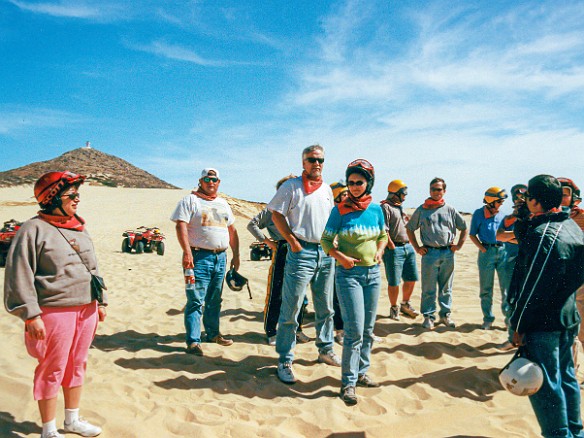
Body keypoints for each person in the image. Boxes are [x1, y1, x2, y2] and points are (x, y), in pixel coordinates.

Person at [4, 171, 107, 438]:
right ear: (52, 199)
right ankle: (48, 429)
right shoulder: (33, 229)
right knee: (53, 367)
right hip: (53, 311)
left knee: (77, 363)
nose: (77, 200)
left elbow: (93, 267)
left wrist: (101, 301)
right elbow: (19, 274)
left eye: (78, 194)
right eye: (71, 195)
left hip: (87, 308)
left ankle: (72, 420)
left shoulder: (79, 227)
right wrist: (31, 314)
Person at [508, 174, 584, 437]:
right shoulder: (570, 226)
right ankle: (575, 431)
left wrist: (517, 326)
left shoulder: (545, 234)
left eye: (529, 197)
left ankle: (558, 434)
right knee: (566, 377)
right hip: (567, 316)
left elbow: (532, 288)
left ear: (536, 201)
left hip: (543, 323)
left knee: (547, 385)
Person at [268, 144, 339, 384]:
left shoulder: (327, 189)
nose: (316, 164)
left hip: (325, 252)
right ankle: (285, 359)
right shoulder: (291, 187)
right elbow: (276, 213)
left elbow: (330, 218)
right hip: (301, 253)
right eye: (311, 159)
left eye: (320, 160)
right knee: (292, 308)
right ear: (303, 162)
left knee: (326, 306)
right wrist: (291, 240)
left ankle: (326, 349)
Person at [321, 159, 388, 406]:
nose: (355, 187)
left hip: (373, 275)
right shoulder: (339, 210)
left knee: (368, 330)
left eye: (359, 182)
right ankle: (348, 383)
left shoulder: (376, 210)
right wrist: (341, 257)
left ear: (368, 183)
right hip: (349, 276)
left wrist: (380, 251)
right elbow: (326, 241)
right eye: (351, 183)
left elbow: (383, 235)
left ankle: (362, 372)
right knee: (354, 331)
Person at [170, 168, 240, 356]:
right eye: (207, 179)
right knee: (195, 300)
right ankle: (193, 341)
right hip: (198, 257)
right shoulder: (190, 200)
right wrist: (186, 253)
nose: (211, 182)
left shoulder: (223, 204)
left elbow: (232, 230)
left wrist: (236, 255)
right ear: (200, 181)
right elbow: (181, 226)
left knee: (215, 299)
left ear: (219, 182)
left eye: (215, 179)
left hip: (221, 257)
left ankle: (213, 333)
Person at [247, 175, 311, 346]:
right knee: (277, 293)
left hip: (301, 250)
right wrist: (267, 241)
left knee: (300, 294)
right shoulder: (272, 209)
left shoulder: (300, 208)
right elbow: (252, 224)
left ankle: (297, 330)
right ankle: (271, 331)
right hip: (283, 249)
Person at [406, 177, 468, 330]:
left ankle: (445, 315)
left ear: (444, 191)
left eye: (439, 189)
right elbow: (409, 228)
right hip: (429, 253)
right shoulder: (422, 209)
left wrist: (459, 245)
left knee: (446, 287)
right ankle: (428, 316)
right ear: (429, 190)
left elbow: (464, 227)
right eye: (433, 189)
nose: (436, 192)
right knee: (428, 288)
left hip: (447, 253)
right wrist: (417, 247)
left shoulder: (450, 209)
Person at [469, 187, 508, 330]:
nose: (502, 204)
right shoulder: (479, 214)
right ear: (491, 201)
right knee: (486, 288)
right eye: (499, 201)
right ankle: (488, 318)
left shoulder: (504, 216)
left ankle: (508, 320)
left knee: (506, 289)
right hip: (486, 253)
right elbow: (472, 234)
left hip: (503, 252)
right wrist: (482, 248)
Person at [381, 179, 420, 321]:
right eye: (403, 194)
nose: (405, 196)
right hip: (394, 249)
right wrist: (390, 245)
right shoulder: (385, 207)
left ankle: (405, 304)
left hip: (407, 247)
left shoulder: (399, 207)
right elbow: (383, 229)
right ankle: (394, 307)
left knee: (411, 278)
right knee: (394, 281)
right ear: (395, 193)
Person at [558, 178, 584, 368]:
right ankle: (567, 369)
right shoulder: (546, 217)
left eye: (565, 193)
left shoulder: (582, 217)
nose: (561, 197)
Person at [330, 181, 349, 344]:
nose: (347, 197)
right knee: (336, 296)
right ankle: (340, 330)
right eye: (343, 194)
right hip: (333, 258)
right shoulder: (331, 213)